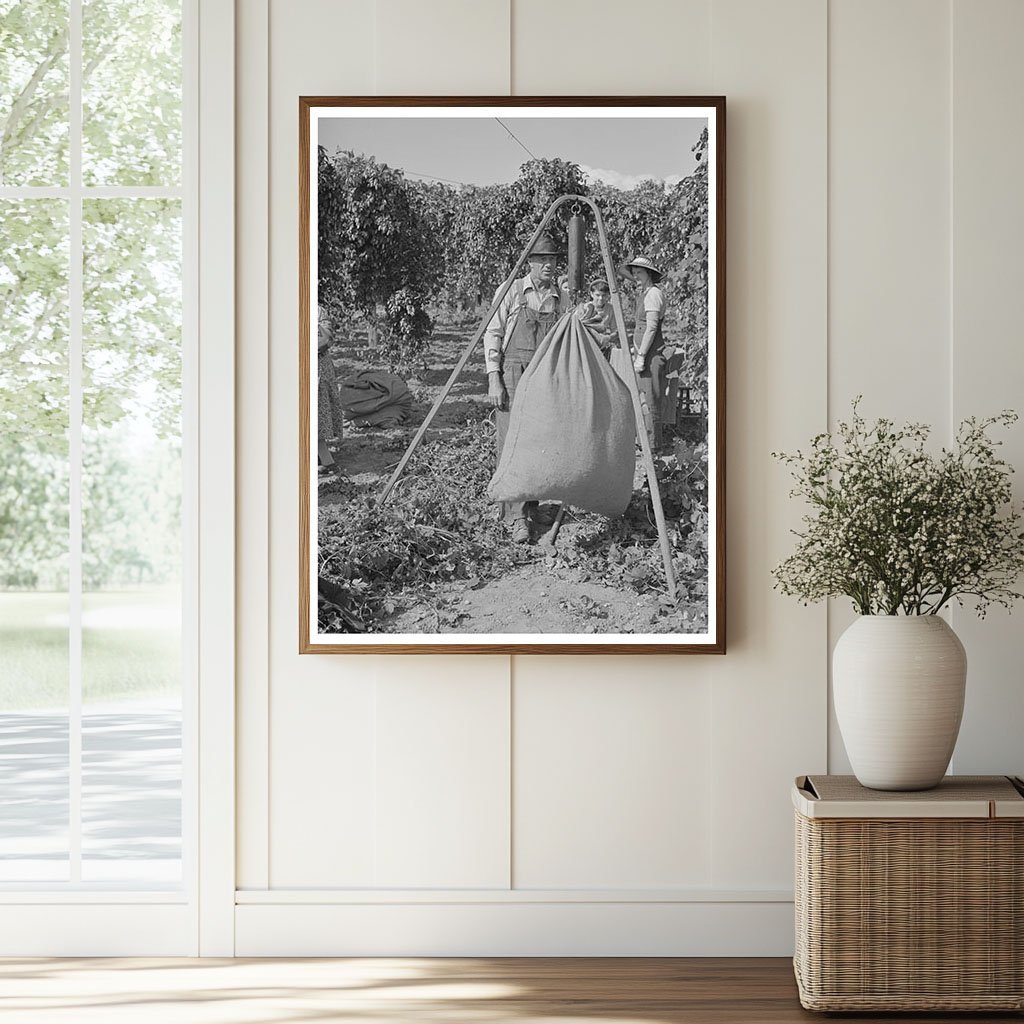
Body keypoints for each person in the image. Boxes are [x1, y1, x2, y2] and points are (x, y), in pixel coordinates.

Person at [483, 234, 570, 543]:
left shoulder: (560, 295)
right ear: (530, 262)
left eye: (553, 260)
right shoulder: (511, 291)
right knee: (511, 442)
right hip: (513, 372)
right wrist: (494, 377)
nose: (548, 265)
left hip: (544, 375)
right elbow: (492, 333)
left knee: (538, 441)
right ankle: (516, 515)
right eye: (542, 260)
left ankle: (532, 507)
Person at [619, 254, 667, 448]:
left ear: (648, 273)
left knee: (651, 401)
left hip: (651, 356)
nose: (636, 275)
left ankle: (653, 449)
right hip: (644, 354)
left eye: (639, 272)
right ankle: (644, 445)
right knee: (643, 400)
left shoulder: (654, 294)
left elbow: (651, 327)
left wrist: (641, 356)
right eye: (634, 272)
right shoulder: (645, 293)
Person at [574, 277, 618, 356]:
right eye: (597, 295)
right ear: (591, 294)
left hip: (602, 346)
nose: (601, 298)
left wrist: (608, 338)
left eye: (604, 295)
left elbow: (615, 330)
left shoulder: (610, 309)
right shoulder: (584, 308)